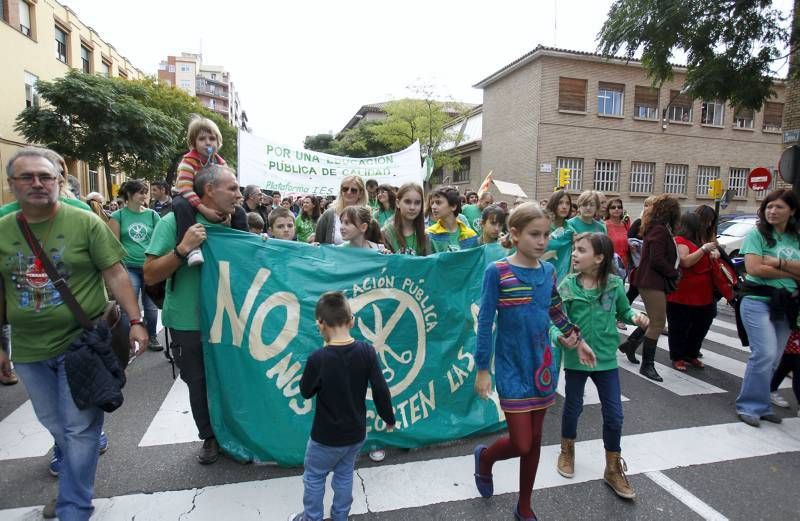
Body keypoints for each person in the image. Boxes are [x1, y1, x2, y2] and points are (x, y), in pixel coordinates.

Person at [0, 147, 147, 520]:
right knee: (56, 424)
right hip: (29, 350)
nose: (38, 183)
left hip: (82, 342)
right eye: (27, 177)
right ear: (11, 184)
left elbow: (115, 272)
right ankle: (73, 481)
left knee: (80, 427)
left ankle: (73, 506)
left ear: (59, 181)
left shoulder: (85, 221)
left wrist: (137, 320)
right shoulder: (2, 227)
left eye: (46, 176)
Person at [473, 203, 595, 521]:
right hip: (511, 366)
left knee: (536, 439)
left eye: (545, 235)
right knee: (522, 442)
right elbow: (485, 322)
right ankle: (485, 458)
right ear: (514, 234)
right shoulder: (497, 272)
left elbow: (555, 310)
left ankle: (524, 503)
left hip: (543, 365)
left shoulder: (549, 271)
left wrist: (578, 341)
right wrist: (483, 369)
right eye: (534, 234)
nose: (542, 241)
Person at [144, 164, 242, 464]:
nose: (239, 194)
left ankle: (237, 434)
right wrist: (182, 249)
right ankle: (209, 437)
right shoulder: (173, 222)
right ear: (209, 190)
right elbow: (149, 274)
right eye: (233, 188)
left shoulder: (237, 221)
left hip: (229, 319)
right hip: (188, 320)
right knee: (198, 382)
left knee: (233, 378)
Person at [554, 233, 648, 499]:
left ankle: (612, 467)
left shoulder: (614, 284)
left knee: (615, 414)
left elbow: (623, 311)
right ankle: (567, 450)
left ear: (599, 258)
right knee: (573, 406)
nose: (574, 254)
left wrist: (636, 316)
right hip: (576, 359)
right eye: (574, 249)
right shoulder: (567, 286)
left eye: (580, 250)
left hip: (606, 358)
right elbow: (554, 321)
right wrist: (561, 337)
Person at [289, 292, 395, 521]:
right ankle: (340, 516)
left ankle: (312, 517)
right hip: (355, 434)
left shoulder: (318, 359)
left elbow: (306, 392)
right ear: (352, 321)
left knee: (315, 477)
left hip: (324, 438)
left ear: (320, 324)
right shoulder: (367, 352)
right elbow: (380, 389)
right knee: (345, 474)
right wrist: (389, 418)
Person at [735, 188, 800, 427]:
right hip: (757, 300)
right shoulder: (757, 234)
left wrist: (778, 262)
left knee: (774, 358)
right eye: (769, 206)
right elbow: (754, 268)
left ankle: (762, 405)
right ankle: (748, 406)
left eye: (779, 207)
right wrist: (791, 270)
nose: (772, 211)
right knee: (764, 353)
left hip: (787, 304)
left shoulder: (796, 237)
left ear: (791, 211)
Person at [173, 116, 246, 267]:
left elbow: (226, 190)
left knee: (239, 212)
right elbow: (185, 188)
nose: (207, 142)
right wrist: (203, 209)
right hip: (189, 196)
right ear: (193, 143)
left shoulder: (221, 163)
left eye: (212, 138)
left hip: (211, 198)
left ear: (218, 143)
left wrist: (228, 211)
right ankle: (192, 249)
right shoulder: (188, 161)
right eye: (202, 139)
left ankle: (244, 244)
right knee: (181, 206)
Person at [627, 194, 681, 382]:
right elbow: (657, 259)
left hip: (651, 281)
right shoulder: (659, 230)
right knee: (658, 322)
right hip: (652, 281)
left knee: (654, 319)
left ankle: (631, 344)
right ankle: (647, 365)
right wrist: (673, 273)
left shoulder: (657, 228)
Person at [108, 179, 163, 352]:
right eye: (141, 192)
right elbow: (113, 244)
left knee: (151, 307)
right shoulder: (118, 216)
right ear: (129, 195)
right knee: (128, 305)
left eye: (145, 192)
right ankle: (128, 339)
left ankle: (152, 336)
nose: (145, 195)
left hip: (150, 267)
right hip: (128, 267)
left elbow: (161, 239)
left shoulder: (153, 215)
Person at [666, 213, 719, 370]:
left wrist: (713, 253)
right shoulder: (680, 241)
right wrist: (704, 250)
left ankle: (692, 353)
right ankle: (678, 356)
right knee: (679, 327)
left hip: (704, 294)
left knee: (701, 325)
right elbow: (685, 261)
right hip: (682, 294)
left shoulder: (700, 241)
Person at [315, 176, 368, 245]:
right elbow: (318, 242)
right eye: (345, 189)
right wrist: (315, 244)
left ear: (360, 193)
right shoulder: (329, 214)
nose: (349, 192)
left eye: (353, 190)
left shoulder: (367, 215)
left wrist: (383, 250)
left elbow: (376, 243)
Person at [426, 186, 478, 253]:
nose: (433, 207)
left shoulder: (471, 235)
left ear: (453, 206)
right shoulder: (429, 234)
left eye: (438, 202)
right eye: (432, 203)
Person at [381, 183, 429, 256]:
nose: (412, 207)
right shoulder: (386, 233)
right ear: (398, 203)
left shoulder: (424, 235)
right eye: (407, 202)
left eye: (417, 203)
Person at [543, 189, 574, 282]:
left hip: (562, 280)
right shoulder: (544, 226)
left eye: (567, 203)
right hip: (542, 275)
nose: (564, 207)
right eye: (560, 203)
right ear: (553, 204)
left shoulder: (571, 230)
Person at [770, 329, 800, 413]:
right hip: (793, 331)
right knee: (792, 363)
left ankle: (771, 389)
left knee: (787, 365)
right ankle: (770, 390)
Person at [604, 198, 630, 274]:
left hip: (624, 265)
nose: (616, 209)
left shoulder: (625, 225)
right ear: (608, 210)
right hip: (610, 264)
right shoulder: (604, 225)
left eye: (619, 207)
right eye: (613, 207)